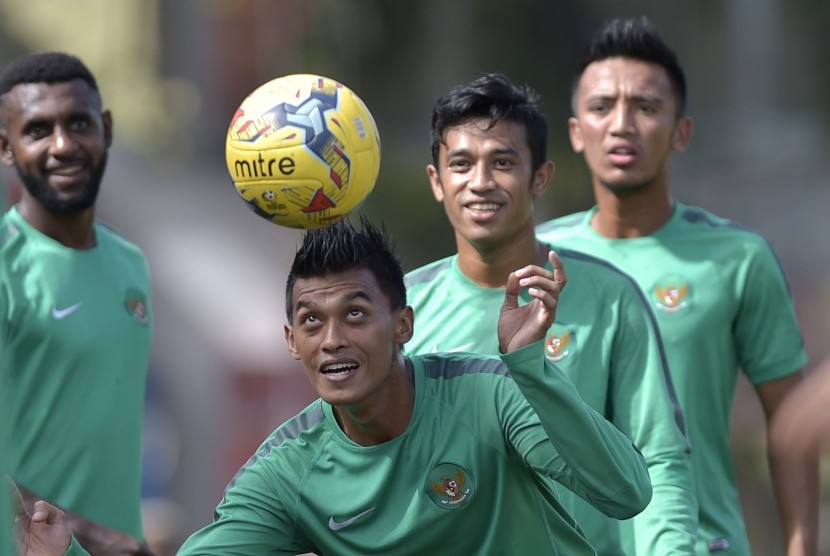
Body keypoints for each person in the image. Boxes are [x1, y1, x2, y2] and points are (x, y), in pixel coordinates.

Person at [177, 218, 652, 555]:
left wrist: (530, 367)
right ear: (291, 342)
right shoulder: (286, 471)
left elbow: (626, 493)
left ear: (403, 325)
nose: (333, 341)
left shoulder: (489, 393)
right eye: (311, 322)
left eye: (355, 314)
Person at [536, 16, 818, 555]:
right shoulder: (536, 261)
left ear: (681, 131)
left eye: (645, 107)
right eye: (601, 107)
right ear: (576, 132)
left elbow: (791, 427)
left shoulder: (738, 259)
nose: (622, 124)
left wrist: (802, 546)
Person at [405, 72, 696, 555]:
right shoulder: (401, 310)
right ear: (437, 181)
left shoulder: (608, 297)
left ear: (539, 177)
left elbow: (659, 457)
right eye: (461, 163)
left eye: (502, 162)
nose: (480, 182)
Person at [0, 52, 154, 554]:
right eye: (38, 130)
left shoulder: (130, 262)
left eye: (79, 123)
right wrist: (90, 534)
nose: (63, 145)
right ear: (6, 146)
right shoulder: (6, 265)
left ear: (106, 129)